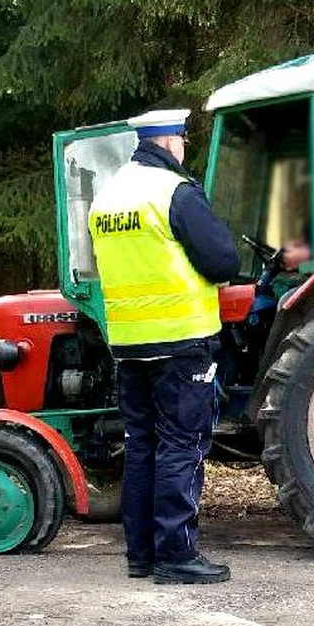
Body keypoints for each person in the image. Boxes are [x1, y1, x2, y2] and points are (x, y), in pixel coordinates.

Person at [88, 109, 241, 585]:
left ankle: (142, 555)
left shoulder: (106, 198)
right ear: (169, 143)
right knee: (181, 446)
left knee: (141, 447)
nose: (184, 149)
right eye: (182, 140)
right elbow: (222, 261)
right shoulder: (172, 192)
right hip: (180, 341)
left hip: (130, 344)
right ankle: (176, 556)